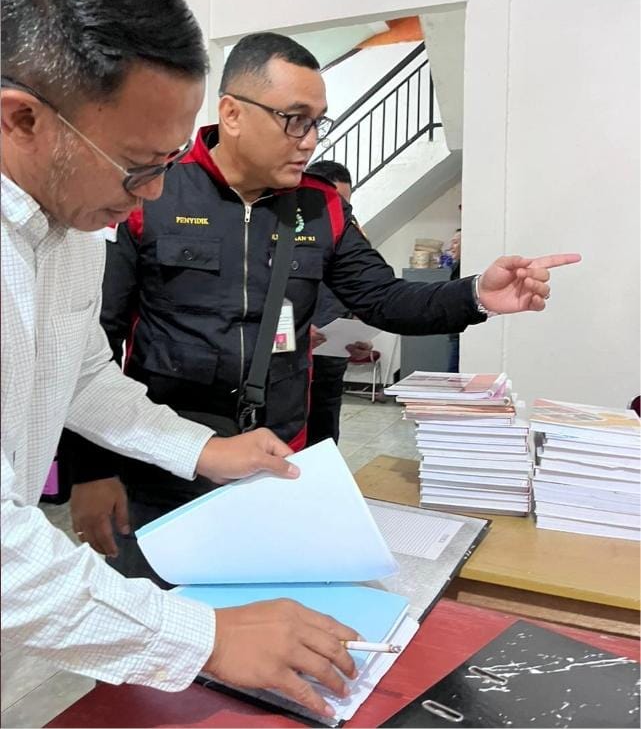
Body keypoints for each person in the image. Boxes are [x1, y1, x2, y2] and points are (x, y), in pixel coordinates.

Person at [1, 0, 361, 719]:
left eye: (169, 161)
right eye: (139, 165)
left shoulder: (70, 226)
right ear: (22, 119)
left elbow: (81, 372)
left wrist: (201, 448)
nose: (158, 193)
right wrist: (202, 635)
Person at [64, 30, 581, 581]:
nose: (309, 140)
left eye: (318, 122)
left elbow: (384, 298)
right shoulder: (154, 193)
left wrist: (476, 293)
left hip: (277, 459)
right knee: (159, 614)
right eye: (294, 119)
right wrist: (88, 471)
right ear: (232, 113)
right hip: (163, 462)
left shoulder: (320, 206)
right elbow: (95, 340)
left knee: (262, 610)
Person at [305, 160, 373, 445]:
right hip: (289, 361)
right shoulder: (281, 228)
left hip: (332, 357)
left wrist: (359, 330)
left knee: (325, 436)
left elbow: (361, 288)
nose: (340, 211)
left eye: (346, 204)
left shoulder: (352, 234)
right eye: (334, 203)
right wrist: (294, 332)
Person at [447, 229, 462, 372]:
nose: (451, 247)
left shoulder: (464, 269)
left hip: (461, 332)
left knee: (453, 374)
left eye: (455, 242)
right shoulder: (456, 267)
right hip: (455, 329)